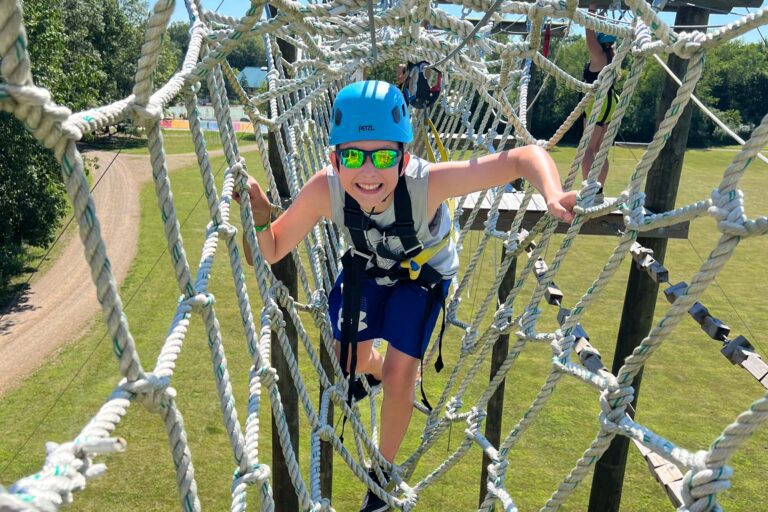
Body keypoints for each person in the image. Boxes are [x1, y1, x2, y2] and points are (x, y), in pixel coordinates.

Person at [236, 80, 576, 512]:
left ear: (404, 157)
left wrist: (551, 191)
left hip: (423, 276)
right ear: (334, 159)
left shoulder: (426, 184)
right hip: (369, 269)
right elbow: (270, 250)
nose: (369, 172)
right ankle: (370, 370)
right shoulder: (326, 189)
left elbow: (523, 157)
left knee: (402, 375)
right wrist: (262, 217)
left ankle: (382, 471)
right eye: (354, 157)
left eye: (383, 156)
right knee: (350, 360)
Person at [582, 4, 619, 202]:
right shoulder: (612, 55)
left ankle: (587, 191)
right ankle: (598, 192)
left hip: (598, 101)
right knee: (600, 150)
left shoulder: (597, 54)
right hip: (611, 100)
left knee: (588, 149)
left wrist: (592, 9)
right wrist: (604, 16)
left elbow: (588, 31)